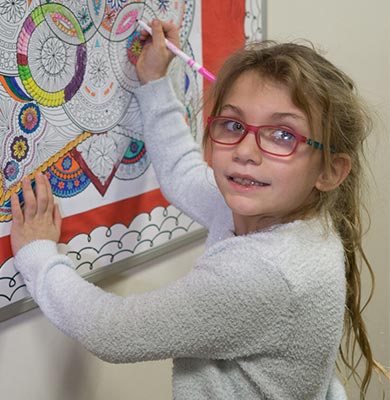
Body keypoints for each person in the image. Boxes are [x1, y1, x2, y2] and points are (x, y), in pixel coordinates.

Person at [10, 20, 388, 399]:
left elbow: (111, 331)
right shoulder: (279, 206)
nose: (245, 151)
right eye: (233, 124)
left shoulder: (263, 275)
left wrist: (37, 255)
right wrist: (154, 82)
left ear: (330, 171)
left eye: (283, 135)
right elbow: (182, 173)